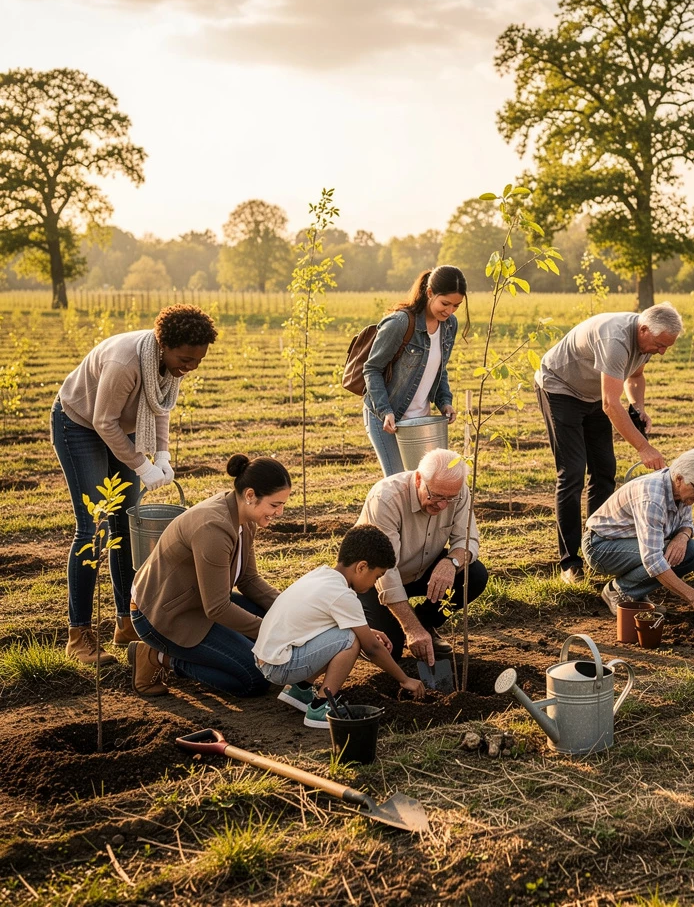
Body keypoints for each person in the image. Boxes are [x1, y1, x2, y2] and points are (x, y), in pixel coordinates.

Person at [51, 303, 218, 665]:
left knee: (126, 526)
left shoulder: (167, 365)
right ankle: (78, 634)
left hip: (115, 430)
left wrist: (163, 455)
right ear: (163, 344)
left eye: (197, 361)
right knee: (94, 528)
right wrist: (142, 465)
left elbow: (159, 407)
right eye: (185, 359)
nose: (189, 367)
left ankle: (127, 622)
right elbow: (103, 421)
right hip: (79, 424)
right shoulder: (126, 363)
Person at [534, 303, 683, 584]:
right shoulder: (615, 340)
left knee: (604, 470)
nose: (662, 352)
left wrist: (638, 406)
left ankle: (597, 545)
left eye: (667, 347)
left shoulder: (647, 343)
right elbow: (610, 404)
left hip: (593, 397)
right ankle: (570, 562)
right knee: (572, 473)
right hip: (560, 387)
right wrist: (644, 447)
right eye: (661, 345)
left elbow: (636, 375)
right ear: (643, 329)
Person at [127, 455, 288, 698]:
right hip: (162, 615)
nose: (280, 512)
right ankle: (158, 657)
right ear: (251, 495)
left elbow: (248, 580)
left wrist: (291, 610)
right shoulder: (214, 528)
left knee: (279, 619)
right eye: (275, 505)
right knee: (255, 678)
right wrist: (270, 632)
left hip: (199, 602)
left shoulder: (245, 517)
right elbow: (217, 609)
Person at [254, 524, 426, 728]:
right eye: (377, 576)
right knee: (350, 640)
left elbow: (319, 622)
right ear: (361, 567)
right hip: (280, 666)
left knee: (350, 634)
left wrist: (368, 631)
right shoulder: (343, 595)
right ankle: (320, 706)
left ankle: (300, 690)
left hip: (268, 658)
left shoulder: (323, 575)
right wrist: (405, 679)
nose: (374, 584)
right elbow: (371, 648)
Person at [355, 447, 487, 664]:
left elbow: (468, 541)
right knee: (389, 651)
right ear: (418, 479)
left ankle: (425, 623)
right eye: (436, 495)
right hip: (372, 580)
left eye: (450, 498)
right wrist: (410, 628)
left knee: (475, 575)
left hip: (421, 568)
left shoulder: (459, 492)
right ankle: (359, 632)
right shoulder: (386, 498)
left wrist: (451, 562)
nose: (443, 505)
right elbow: (386, 572)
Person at [582, 447, 694, 628]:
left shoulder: (681, 490)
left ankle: (635, 591)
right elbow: (653, 560)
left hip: (629, 543)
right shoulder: (652, 498)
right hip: (601, 546)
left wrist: (681, 536)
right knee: (665, 554)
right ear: (680, 479)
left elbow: (687, 523)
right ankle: (618, 590)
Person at [363, 265, 467, 476]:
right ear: (430, 293)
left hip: (421, 419)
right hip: (387, 416)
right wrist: (386, 411)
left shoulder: (449, 325)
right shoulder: (400, 323)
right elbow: (371, 369)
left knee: (425, 482)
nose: (449, 311)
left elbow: (439, 370)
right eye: (445, 303)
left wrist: (445, 401)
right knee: (399, 482)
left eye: (456, 305)